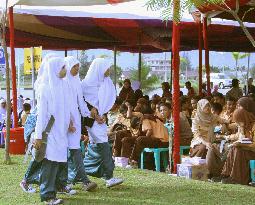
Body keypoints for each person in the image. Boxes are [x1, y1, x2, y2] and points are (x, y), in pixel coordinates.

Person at [34, 57, 75, 204]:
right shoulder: (45, 87)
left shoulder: (62, 85)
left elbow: (65, 108)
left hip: (61, 132)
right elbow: (41, 114)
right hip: (50, 132)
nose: (65, 70)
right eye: (63, 67)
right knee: (50, 163)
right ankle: (47, 195)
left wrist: (69, 122)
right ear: (54, 69)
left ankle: (54, 190)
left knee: (58, 162)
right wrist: (38, 135)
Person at [82, 58, 124, 188]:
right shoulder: (85, 84)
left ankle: (83, 170)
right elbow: (82, 103)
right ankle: (109, 177)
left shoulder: (107, 82)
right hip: (90, 119)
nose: (109, 70)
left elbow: (104, 103)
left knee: (98, 145)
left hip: (101, 119)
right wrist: (94, 115)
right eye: (107, 68)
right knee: (103, 145)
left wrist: (103, 115)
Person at [65, 56, 97, 191]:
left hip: (75, 120)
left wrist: (88, 113)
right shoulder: (62, 82)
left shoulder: (77, 81)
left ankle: (81, 180)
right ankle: (30, 178)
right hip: (64, 120)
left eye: (78, 66)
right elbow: (62, 104)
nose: (77, 68)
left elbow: (81, 102)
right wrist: (67, 122)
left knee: (74, 150)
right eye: (74, 66)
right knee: (60, 152)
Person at [221, 108, 255, 185]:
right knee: (234, 148)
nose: (238, 124)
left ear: (244, 118)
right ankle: (227, 174)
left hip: (252, 152)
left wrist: (242, 144)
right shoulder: (244, 126)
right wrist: (241, 131)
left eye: (239, 121)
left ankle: (237, 178)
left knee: (238, 150)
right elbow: (239, 138)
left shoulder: (253, 126)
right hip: (248, 150)